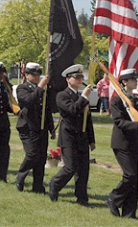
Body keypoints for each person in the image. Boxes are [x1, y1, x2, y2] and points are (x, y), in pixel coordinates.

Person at [48, 64, 96, 207]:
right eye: (77, 77)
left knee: (83, 170)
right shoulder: (62, 95)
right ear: (68, 79)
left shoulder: (82, 97)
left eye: (82, 77)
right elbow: (72, 110)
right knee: (70, 167)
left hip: (82, 137)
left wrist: (91, 140)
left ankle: (82, 199)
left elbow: (87, 120)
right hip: (69, 137)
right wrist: (83, 97)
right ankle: (55, 184)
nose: (80, 79)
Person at [106, 68, 138, 219]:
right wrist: (137, 126)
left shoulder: (134, 98)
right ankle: (114, 198)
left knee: (134, 180)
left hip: (134, 143)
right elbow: (118, 122)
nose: (135, 81)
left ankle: (129, 214)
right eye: (133, 79)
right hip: (121, 143)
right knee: (130, 175)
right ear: (124, 82)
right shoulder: (117, 99)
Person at [15, 62, 55, 193]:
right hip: (28, 127)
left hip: (41, 127)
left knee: (41, 157)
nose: (37, 76)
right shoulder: (22, 88)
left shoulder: (43, 90)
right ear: (26, 75)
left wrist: (51, 128)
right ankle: (20, 177)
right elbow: (28, 101)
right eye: (33, 74)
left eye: (38, 74)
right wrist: (41, 86)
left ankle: (38, 186)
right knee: (32, 154)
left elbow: (46, 110)